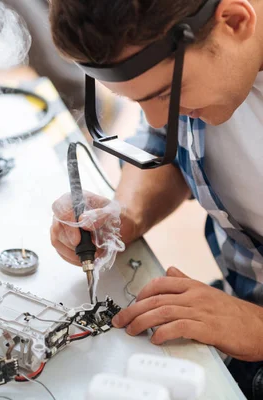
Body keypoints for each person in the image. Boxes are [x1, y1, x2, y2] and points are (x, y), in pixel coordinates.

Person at [49, 0, 263, 397]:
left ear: (234, 21)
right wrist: (125, 215)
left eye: (164, 94)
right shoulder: (196, 67)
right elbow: (170, 146)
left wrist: (254, 327)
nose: (155, 119)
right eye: (137, 101)